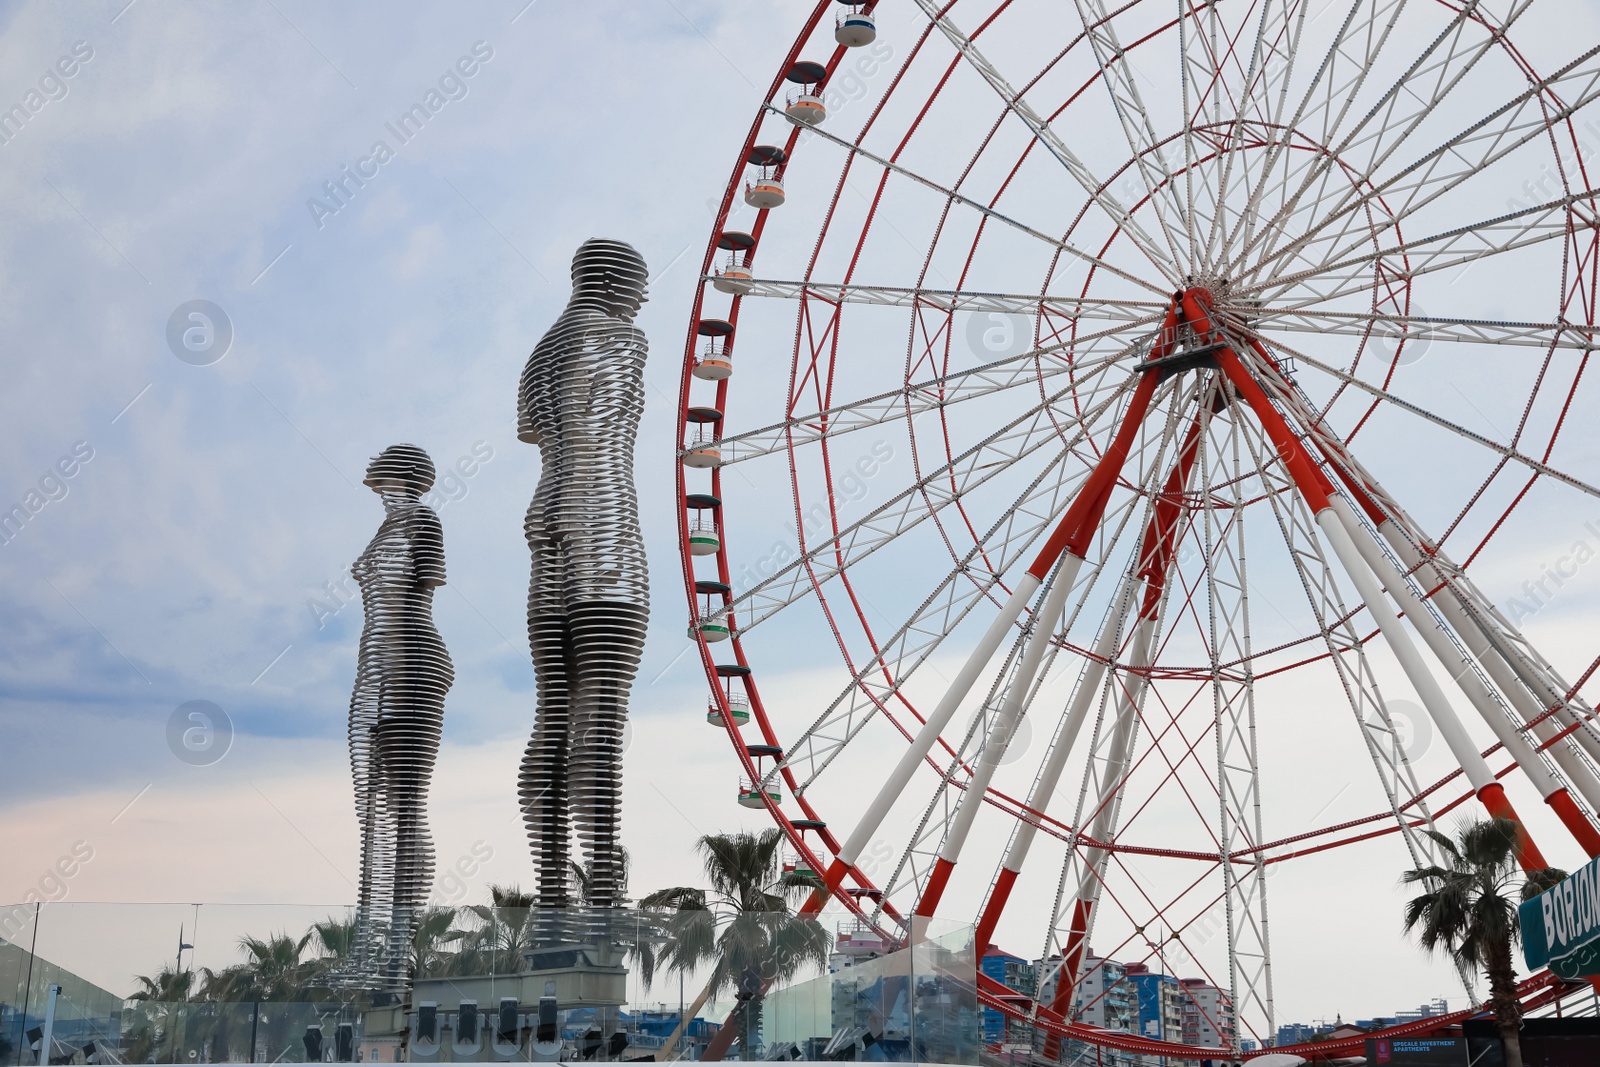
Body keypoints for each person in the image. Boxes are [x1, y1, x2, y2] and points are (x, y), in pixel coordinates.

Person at [518, 239, 650, 916]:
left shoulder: (542, 347)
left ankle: (549, 894)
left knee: (550, 715)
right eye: (639, 283)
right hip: (604, 532)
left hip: (544, 529)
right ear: (615, 280)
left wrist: (554, 508)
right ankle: (601, 888)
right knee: (600, 717)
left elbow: (539, 433)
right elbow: (592, 431)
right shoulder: (622, 337)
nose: (644, 297)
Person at [347, 443, 452, 981]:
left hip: (412, 665)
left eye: (384, 473)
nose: (377, 481)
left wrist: (387, 676)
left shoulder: (423, 522)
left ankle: (396, 952)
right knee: (374, 810)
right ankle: (370, 951)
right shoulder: (388, 529)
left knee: (405, 807)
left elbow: (417, 599)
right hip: (380, 669)